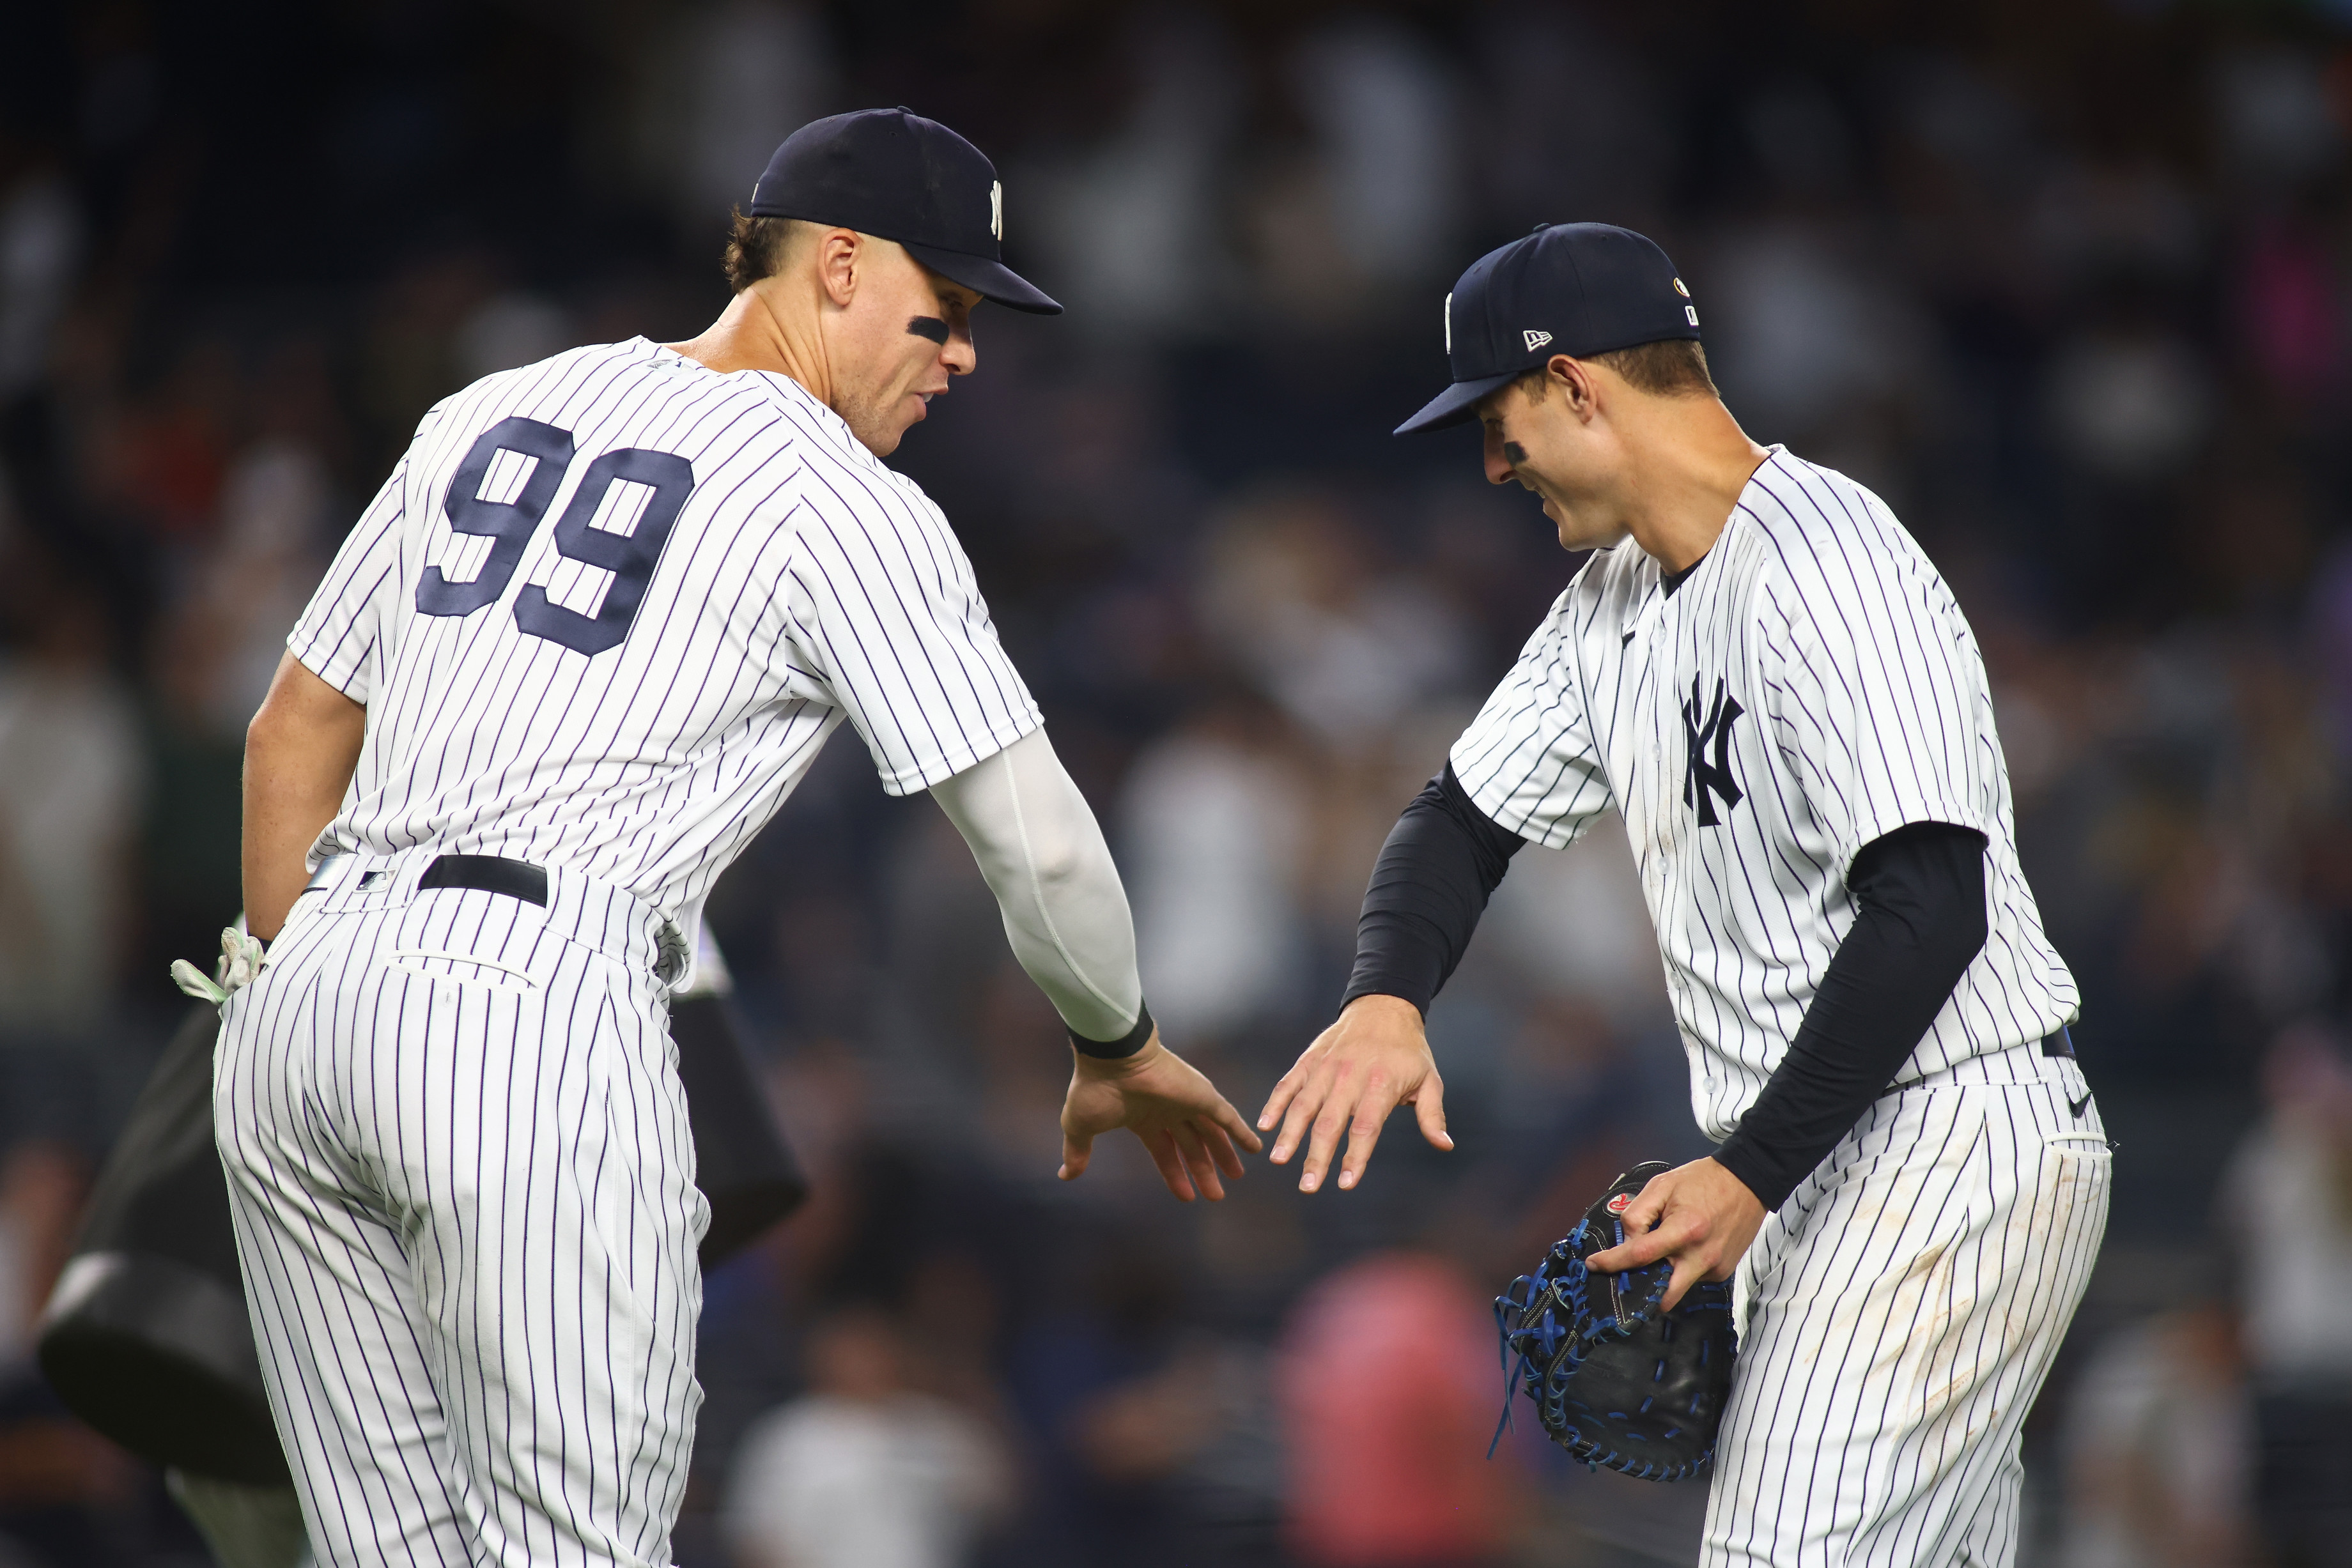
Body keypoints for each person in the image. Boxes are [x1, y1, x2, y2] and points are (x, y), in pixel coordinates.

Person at [213, 107, 1258, 1568]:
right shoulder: (839, 497)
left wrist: (302, 984)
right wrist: (1117, 1044)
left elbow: (292, 732)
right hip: (527, 1005)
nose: (962, 351)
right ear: (835, 265)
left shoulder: (492, 405)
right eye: (941, 308)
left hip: (295, 1009)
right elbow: (1047, 850)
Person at [1257, 222, 2110, 1567]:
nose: (1490, 463)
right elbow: (1453, 822)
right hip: (1817, 1160)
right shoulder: (1603, 604)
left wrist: (1749, 1175)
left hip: (1944, 1142)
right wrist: (1384, 1001)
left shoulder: (1830, 561)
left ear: (1579, 388)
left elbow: (1932, 904)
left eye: (1498, 420)